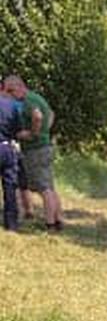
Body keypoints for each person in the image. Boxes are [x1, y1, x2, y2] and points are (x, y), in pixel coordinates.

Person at [3, 73, 63, 230]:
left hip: (36, 149)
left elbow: (38, 116)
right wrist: (45, 132)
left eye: (10, 91)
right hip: (45, 145)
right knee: (50, 186)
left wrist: (33, 133)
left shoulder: (28, 101)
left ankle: (50, 223)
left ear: (19, 86)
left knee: (44, 188)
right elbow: (51, 114)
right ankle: (58, 220)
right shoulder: (36, 97)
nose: (9, 95)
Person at [0, 81, 20, 230]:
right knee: (10, 186)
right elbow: (18, 128)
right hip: (7, 146)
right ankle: (11, 223)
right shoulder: (13, 105)